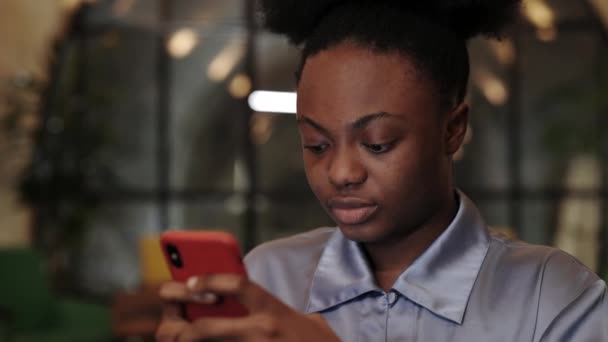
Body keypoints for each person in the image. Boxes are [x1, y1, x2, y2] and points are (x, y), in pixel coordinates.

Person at [156, 0, 608, 341]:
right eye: (316, 144)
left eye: (378, 144)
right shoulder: (266, 279)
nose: (341, 172)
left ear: (454, 129)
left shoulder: (553, 297)